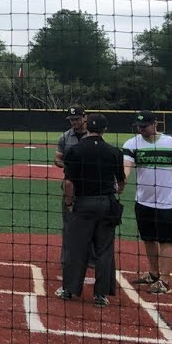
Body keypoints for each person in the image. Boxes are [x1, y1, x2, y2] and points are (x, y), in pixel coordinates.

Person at [56, 113, 126, 306]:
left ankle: (69, 290)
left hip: (83, 203)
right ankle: (101, 295)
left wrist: (69, 203)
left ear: (87, 127)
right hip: (106, 204)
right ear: (105, 129)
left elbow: (68, 183)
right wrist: (113, 191)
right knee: (104, 250)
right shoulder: (114, 152)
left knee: (76, 247)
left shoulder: (75, 150)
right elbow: (121, 183)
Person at [122, 110, 172, 295]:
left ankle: (165, 281)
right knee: (148, 238)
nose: (141, 129)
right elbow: (126, 168)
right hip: (142, 202)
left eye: (145, 126)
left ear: (155, 125)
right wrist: (121, 183)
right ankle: (153, 274)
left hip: (165, 203)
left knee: (167, 240)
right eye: (139, 126)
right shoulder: (131, 144)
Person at [55, 105, 89, 263]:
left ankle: (90, 258)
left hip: (90, 186)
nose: (74, 122)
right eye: (71, 119)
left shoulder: (92, 135)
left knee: (90, 223)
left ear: (84, 117)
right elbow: (57, 158)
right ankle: (67, 258)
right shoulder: (65, 137)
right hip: (70, 186)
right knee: (69, 223)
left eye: (76, 119)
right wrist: (67, 166)